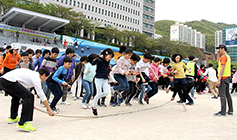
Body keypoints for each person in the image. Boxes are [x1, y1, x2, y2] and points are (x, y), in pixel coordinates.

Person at [91, 48, 114, 116]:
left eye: (111, 57)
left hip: (105, 78)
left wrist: (109, 69)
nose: (109, 58)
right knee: (99, 93)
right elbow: (93, 63)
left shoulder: (107, 62)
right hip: (98, 78)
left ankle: (96, 97)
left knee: (106, 92)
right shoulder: (100, 60)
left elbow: (104, 69)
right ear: (105, 55)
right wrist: (98, 57)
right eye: (109, 57)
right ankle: (94, 107)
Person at [214, 44, 233, 116]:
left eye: (219, 49)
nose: (218, 50)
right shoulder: (227, 56)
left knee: (222, 95)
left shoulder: (223, 57)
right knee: (227, 94)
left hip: (223, 78)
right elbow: (219, 64)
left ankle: (223, 111)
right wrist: (218, 55)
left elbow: (222, 68)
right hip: (227, 77)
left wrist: (219, 79)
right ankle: (230, 110)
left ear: (223, 48)